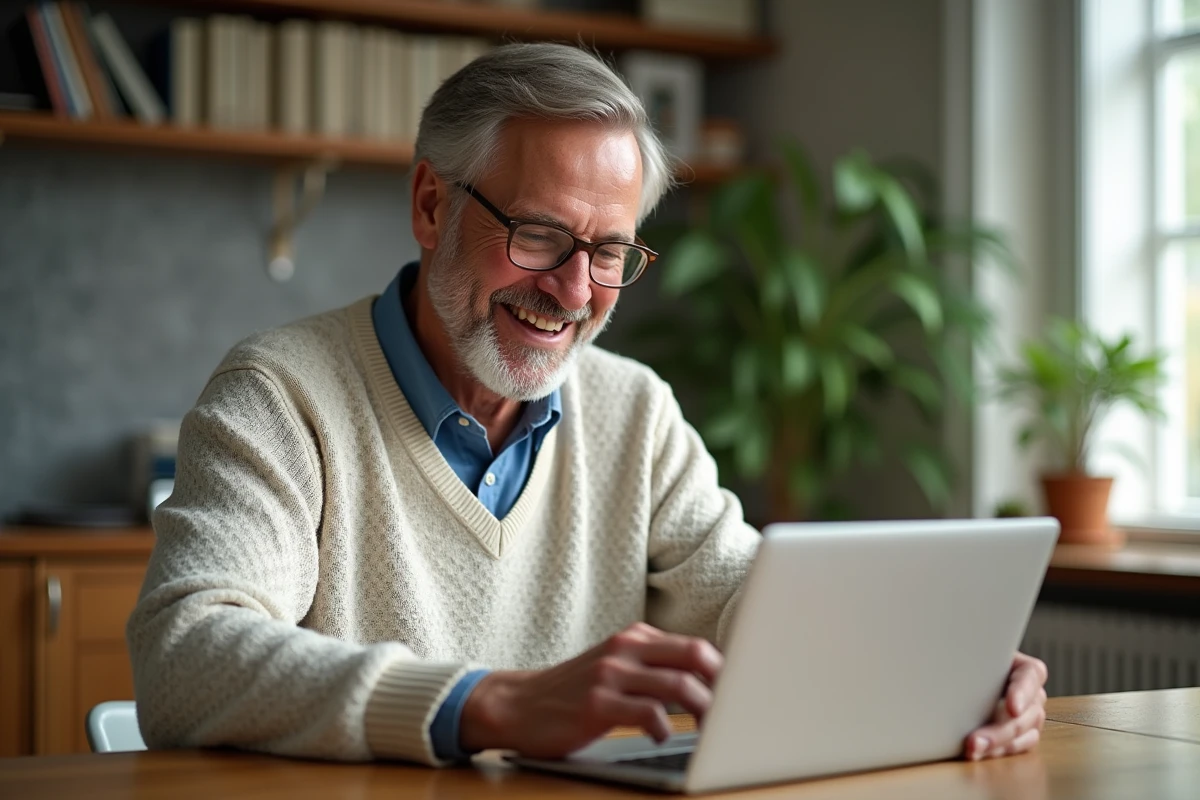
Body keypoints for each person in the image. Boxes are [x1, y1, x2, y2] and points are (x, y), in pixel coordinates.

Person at [127, 42, 1048, 767]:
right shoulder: (281, 396)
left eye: (609, 251)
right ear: (431, 205)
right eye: (538, 235)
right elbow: (184, 655)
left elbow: (750, 602)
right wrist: (490, 704)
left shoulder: (634, 411)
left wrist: (937, 668)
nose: (574, 291)